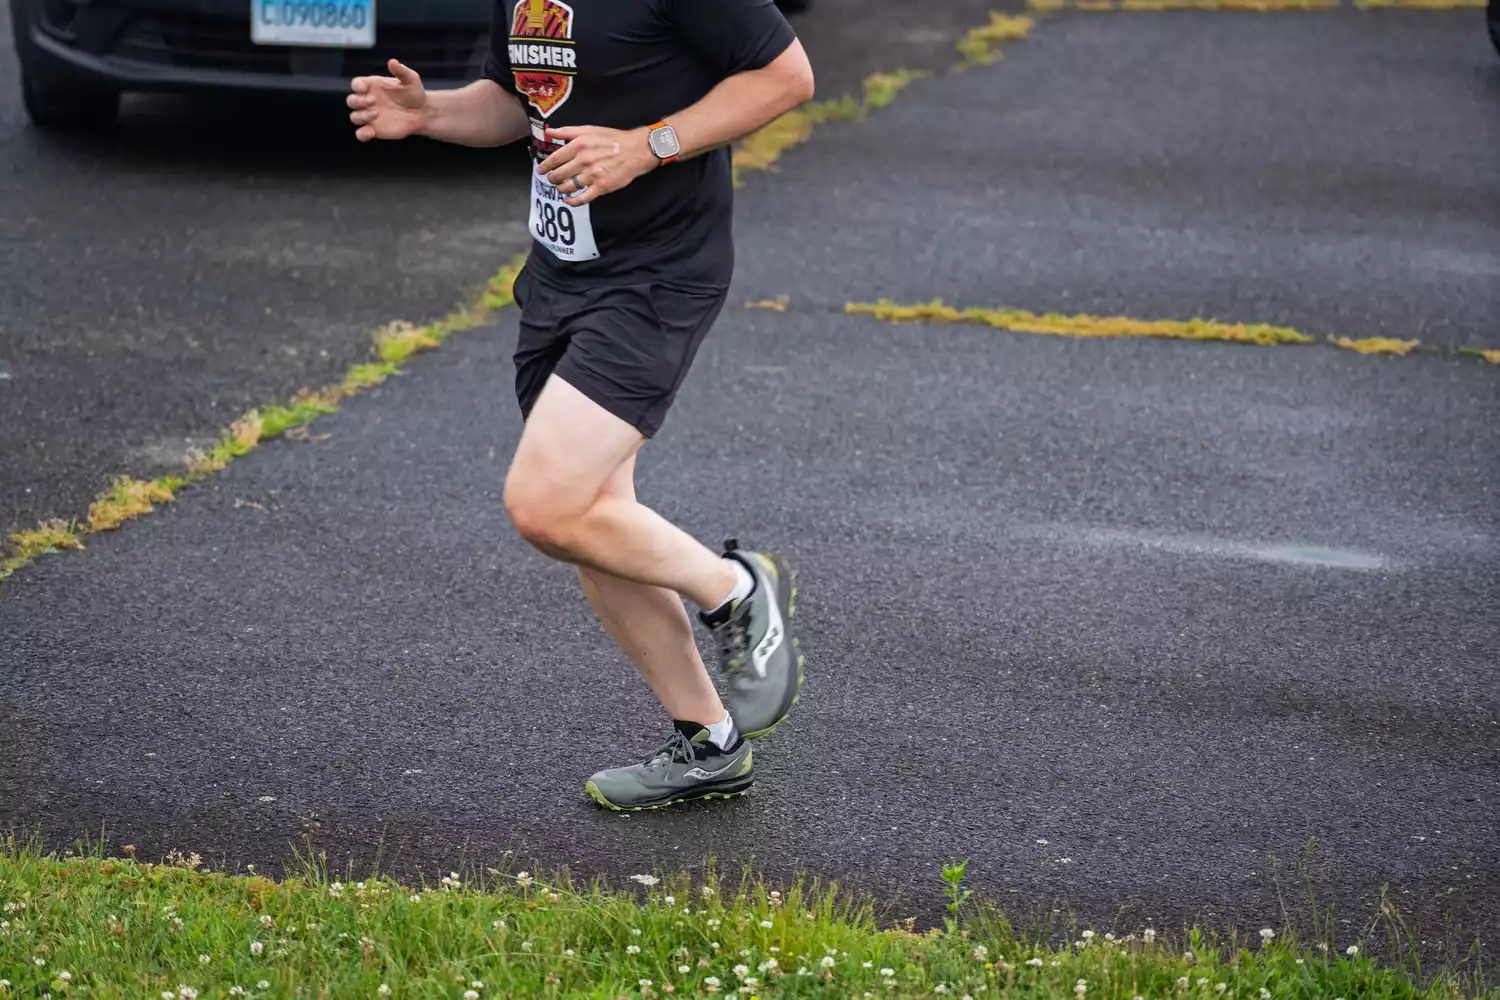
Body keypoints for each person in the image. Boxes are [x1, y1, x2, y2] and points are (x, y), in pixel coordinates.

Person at [345, 0, 814, 810]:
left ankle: (736, 589)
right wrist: (431, 114)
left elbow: (785, 76)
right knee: (595, 521)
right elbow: (517, 100)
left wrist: (645, 146)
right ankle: (709, 742)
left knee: (546, 504)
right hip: (562, 272)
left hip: (659, 274)